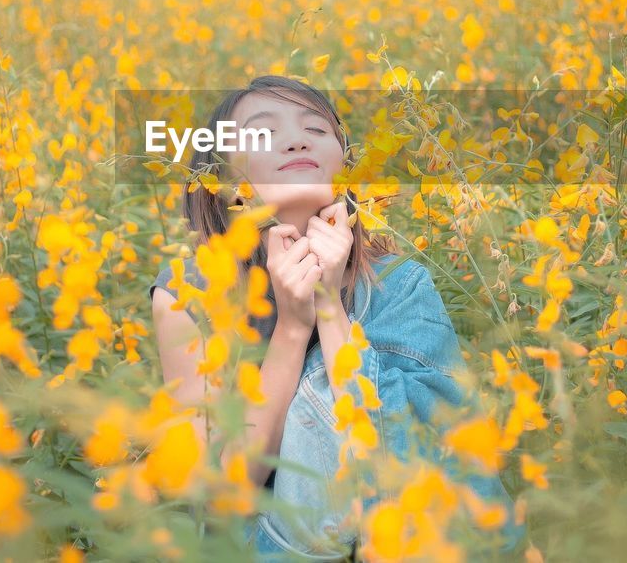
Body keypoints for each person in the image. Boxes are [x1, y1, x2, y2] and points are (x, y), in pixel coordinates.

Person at [148, 76, 524, 560]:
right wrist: (290, 327)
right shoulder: (188, 297)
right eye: (263, 132)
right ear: (219, 180)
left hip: (407, 535)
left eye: (316, 128)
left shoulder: (401, 283)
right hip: (262, 546)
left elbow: (430, 454)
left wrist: (327, 305)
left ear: (344, 165)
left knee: (343, 387)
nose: (298, 138)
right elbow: (218, 497)